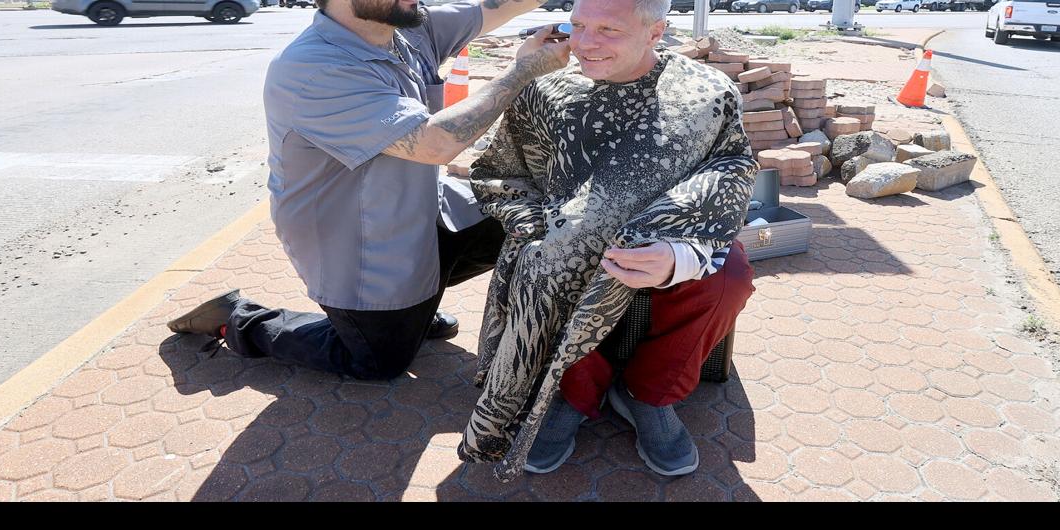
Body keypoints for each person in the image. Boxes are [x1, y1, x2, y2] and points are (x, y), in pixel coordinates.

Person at [165, 0, 569, 382]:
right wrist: (522, 71)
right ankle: (239, 319)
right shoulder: (313, 69)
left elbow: (494, 6)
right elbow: (436, 144)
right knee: (377, 363)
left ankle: (416, 308)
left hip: (421, 206)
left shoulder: (406, 26)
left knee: (532, 219)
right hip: (362, 247)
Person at [457, 0, 756, 481]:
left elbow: (733, 170)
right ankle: (571, 396)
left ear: (654, 31)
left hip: (666, 245)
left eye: (608, 30)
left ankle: (647, 397)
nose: (585, 43)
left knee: (731, 277)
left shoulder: (706, 93)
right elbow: (500, 174)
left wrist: (680, 256)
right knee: (554, 264)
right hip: (564, 244)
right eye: (577, 26)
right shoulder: (545, 92)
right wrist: (541, 231)